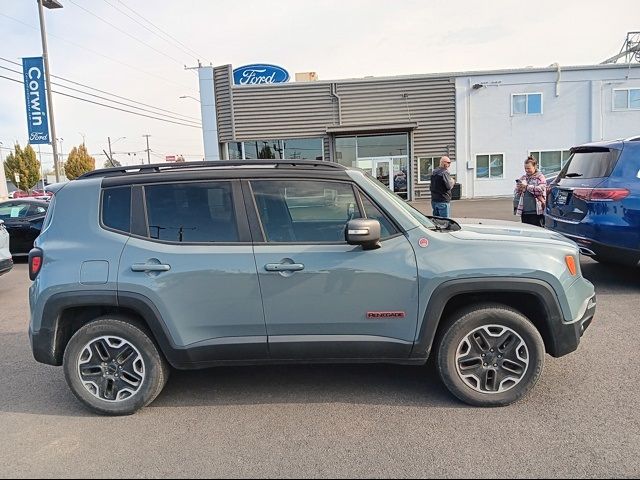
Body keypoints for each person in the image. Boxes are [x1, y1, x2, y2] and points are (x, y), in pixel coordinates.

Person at [514, 156, 547, 227]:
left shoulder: (540, 177)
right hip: (524, 211)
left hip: (536, 211)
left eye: (528, 168)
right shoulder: (523, 178)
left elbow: (541, 190)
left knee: (537, 231)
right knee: (526, 231)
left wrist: (527, 187)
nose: (526, 170)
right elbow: (516, 192)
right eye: (525, 168)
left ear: (535, 167)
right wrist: (519, 189)